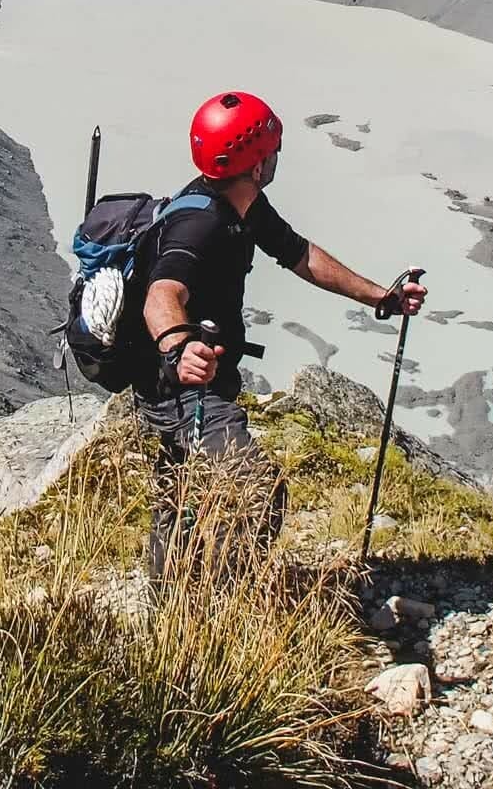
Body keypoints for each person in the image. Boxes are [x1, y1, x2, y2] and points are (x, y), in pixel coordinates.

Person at [134, 90, 427, 579]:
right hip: (182, 387)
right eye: (271, 150)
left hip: (194, 380)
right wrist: (179, 350)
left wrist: (382, 298)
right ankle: (221, 601)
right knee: (255, 490)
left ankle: (174, 598)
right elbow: (160, 295)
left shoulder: (241, 205)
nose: (275, 158)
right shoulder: (200, 225)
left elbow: (300, 255)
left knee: (182, 488)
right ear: (255, 163)